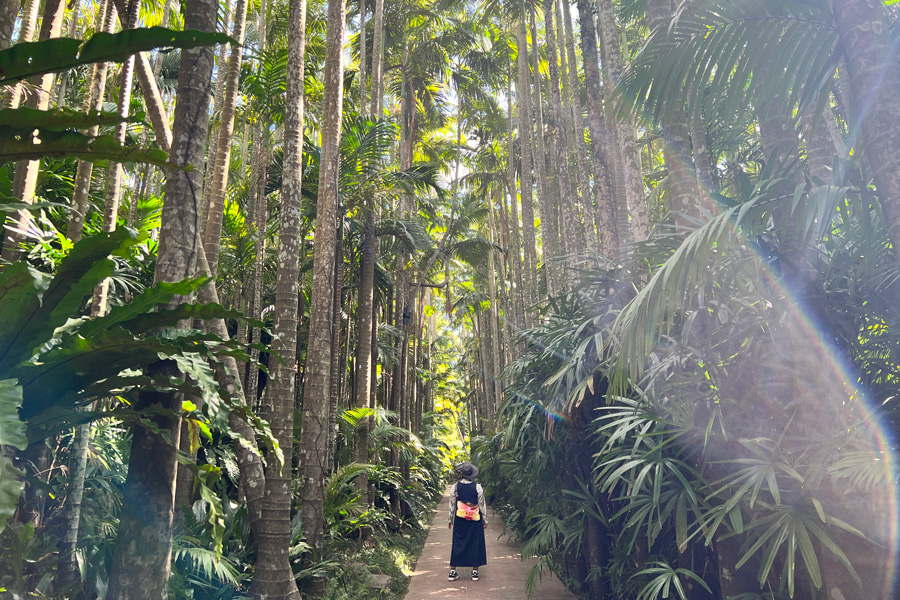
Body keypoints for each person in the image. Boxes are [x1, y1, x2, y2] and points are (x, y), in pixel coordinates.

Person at [447, 461, 488, 582]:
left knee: (458, 543)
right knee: (475, 543)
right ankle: (475, 572)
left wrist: (450, 519)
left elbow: (452, 504)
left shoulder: (455, 487)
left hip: (460, 519)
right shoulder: (478, 487)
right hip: (475, 519)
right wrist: (485, 520)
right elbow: (482, 505)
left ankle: (452, 571)